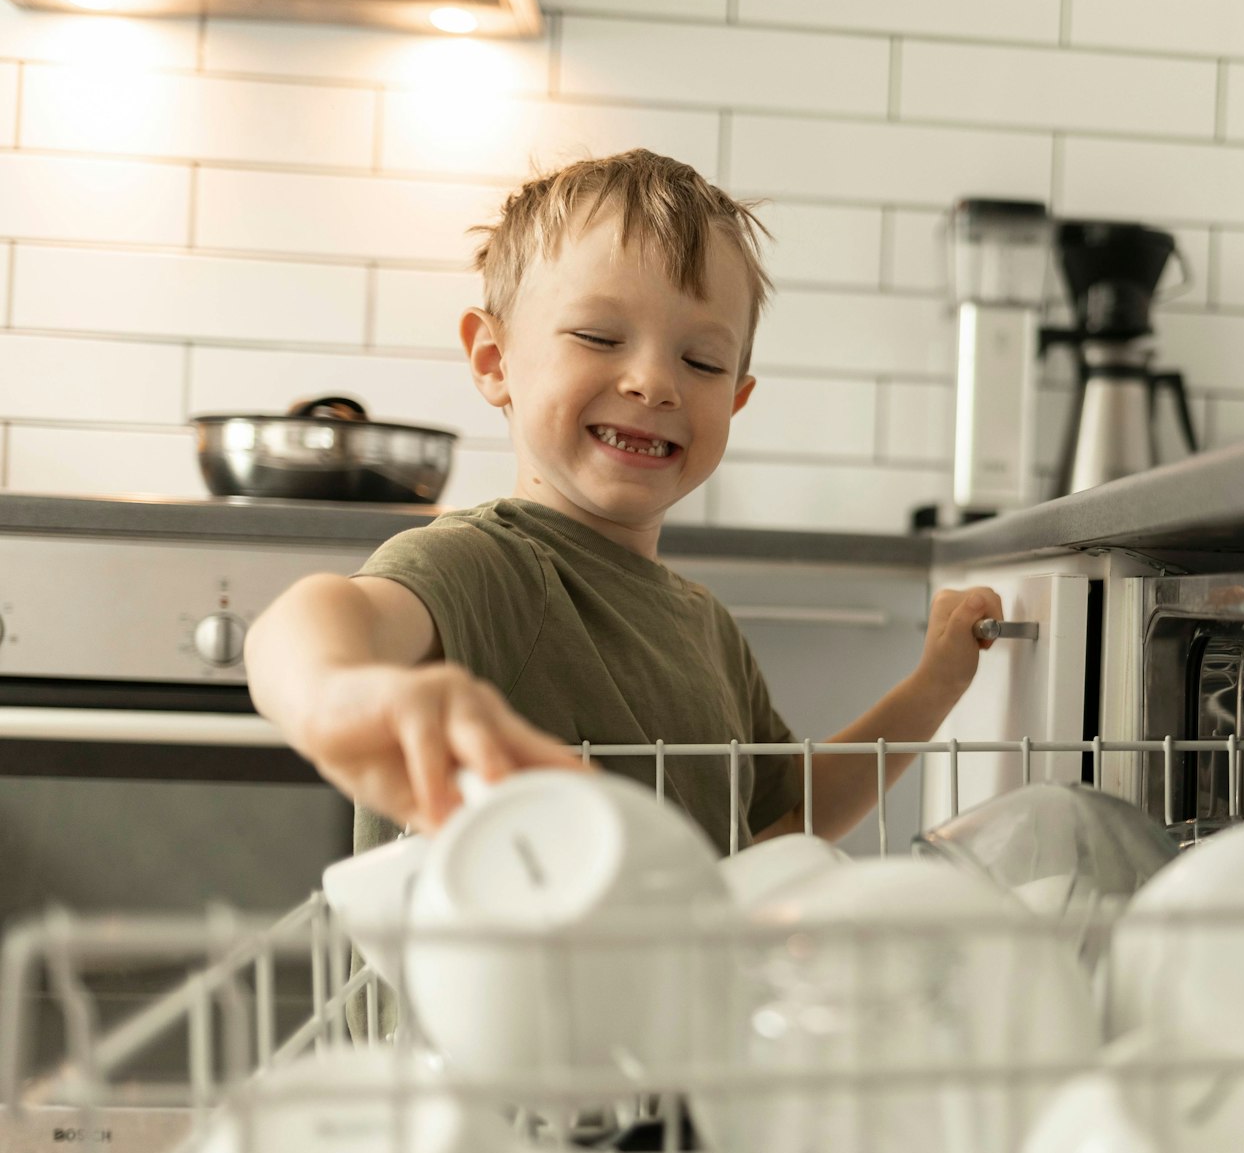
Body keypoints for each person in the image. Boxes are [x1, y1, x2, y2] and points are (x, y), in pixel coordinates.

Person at [245, 148, 1003, 862]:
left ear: (735, 399)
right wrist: (337, 690)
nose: (653, 381)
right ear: (492, 358)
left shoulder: (706, 627)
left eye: (700, 360)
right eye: (599, 336)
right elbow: (313, 624)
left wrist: (933, 686)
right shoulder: (484, 568)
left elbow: (787, 816)